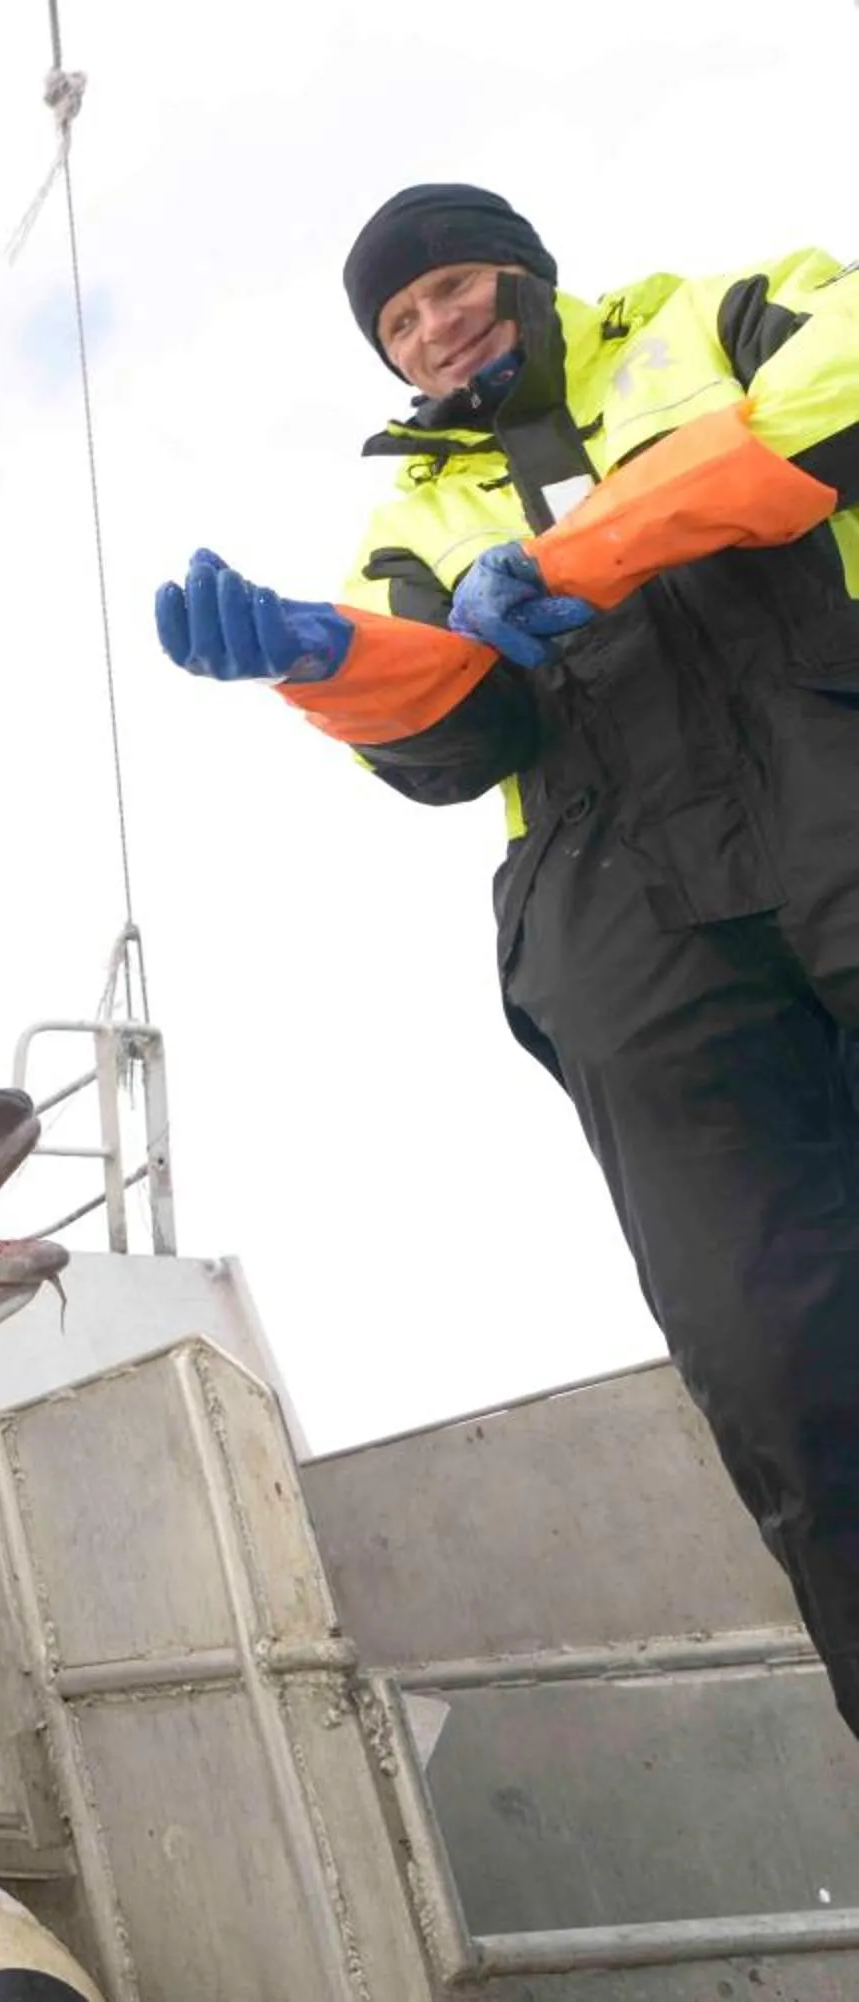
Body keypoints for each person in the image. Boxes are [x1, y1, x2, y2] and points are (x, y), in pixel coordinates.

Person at [151, 185, 859, 1733]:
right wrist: (317, 655)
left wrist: (599, 548)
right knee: (780, 1369)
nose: (434, 325)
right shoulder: (413, 523)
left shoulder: (722, 314)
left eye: (453, 285)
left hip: (840, 819)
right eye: (399, 320)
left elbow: (844, 392)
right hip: (638, 946)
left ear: (524, 274)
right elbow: (453, 731)